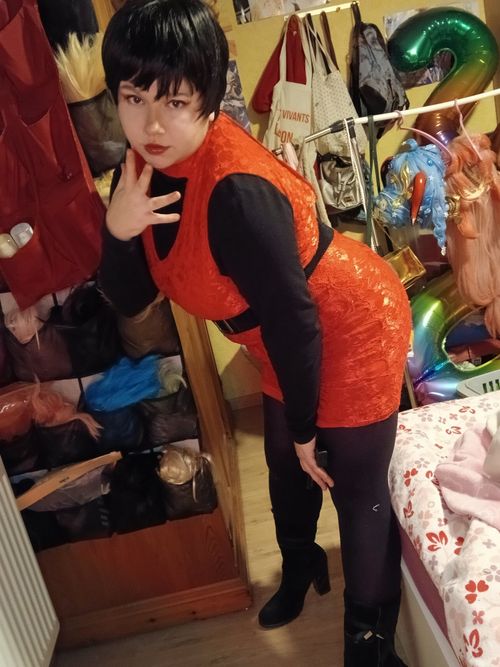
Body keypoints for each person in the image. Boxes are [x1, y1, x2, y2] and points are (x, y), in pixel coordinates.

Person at [99, 1, 411, 664]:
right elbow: (131, 297)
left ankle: (370, 643)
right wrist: (118, 229)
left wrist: (307, 428)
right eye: (134, 97)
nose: (151, 124)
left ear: (209, 97)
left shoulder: (236, 191)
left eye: (175, 101)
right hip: (277, 332)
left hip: (350, 321)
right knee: (283, 464)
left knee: (352, 487)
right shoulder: (145, 166)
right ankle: (301, 568)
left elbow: (299, 319)